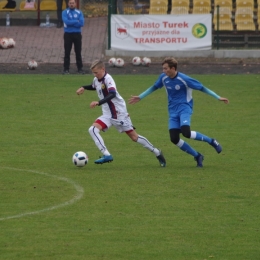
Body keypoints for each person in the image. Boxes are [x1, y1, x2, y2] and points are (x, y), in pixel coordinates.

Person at [129, 57, 229, 167]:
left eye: (165, 68)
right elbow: (154, 87)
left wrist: (218, 97)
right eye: (163, 69)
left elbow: (202, 88)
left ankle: (211, 141)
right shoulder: (163, 78)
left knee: (186, 132)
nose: (163, 71)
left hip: (184, 108)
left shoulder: (184, 79)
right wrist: (141, 97)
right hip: (172, 111)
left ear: (173, 68)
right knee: (174, 138)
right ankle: (197, 156)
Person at [76, 59, 166, 167]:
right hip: (107, 114)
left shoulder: (108, 79)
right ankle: (106, 154)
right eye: (93, 73)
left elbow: (112, 94)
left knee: (134, 137)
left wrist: (98, 102)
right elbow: (94, 86)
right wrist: (83, 87)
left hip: (119, 113)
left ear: (103, 69)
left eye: (96, 72)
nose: (95, 75)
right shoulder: (96, 79)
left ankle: (157, 152)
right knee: (93, 129)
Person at [62, 0, 85, 75]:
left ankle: (80, 68)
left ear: (75, 4)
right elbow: (66, 22)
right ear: (68, 4)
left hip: (77, 34)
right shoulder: (65, 12)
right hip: (68, 34)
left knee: (78, 52)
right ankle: (66, 69)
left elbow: (81, 23)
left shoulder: (79, 12)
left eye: (73, 3)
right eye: (70, 3)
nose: (71, 4)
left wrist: (72, 22)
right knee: (67, 52)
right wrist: (76, 21)